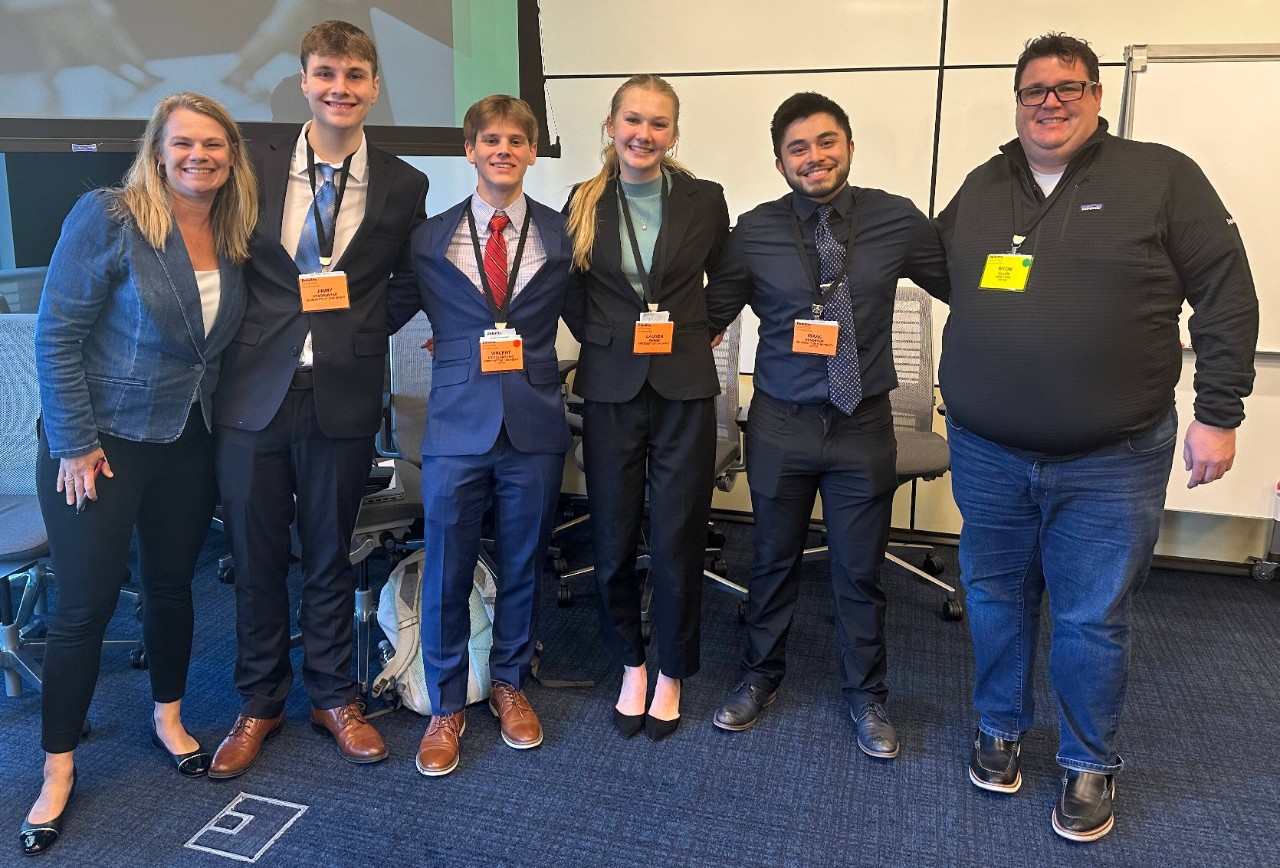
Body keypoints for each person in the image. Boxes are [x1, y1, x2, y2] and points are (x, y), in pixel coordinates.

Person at [935, 33, 1258, 842]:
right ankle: (1000, 727)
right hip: (987, 449)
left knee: (1089, 616)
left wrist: (1219, 411)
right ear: (1016, 99)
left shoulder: (1161, 176)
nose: (1050, 101)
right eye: (1035, 88)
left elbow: (1225, 293)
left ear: (1097, 96)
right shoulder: (981, 185)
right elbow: (932, 267)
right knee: (994, 597)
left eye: (1068, 87)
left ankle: (1087, 762)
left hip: (1112, 457)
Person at [25, 92, 257, 856]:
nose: (200, 157)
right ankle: (58, 768)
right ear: (158, 149)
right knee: (84, 608)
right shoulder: (111, 216)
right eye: (184, 144)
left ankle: (167, 715)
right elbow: (56, 335)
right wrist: (73, 444)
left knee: (170, 586)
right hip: (100, 446)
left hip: (185, 440)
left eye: (214, 145)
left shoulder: (231, 229)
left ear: (231, 155)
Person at [210, 19, 428, 778]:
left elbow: (411, 279)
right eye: (326, 74)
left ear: (373, 87)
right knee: (256, 557)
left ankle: (335, 696)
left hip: (341, 392)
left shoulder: (405, 183)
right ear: (305, 81)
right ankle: (258, 703)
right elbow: (224, 261)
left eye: (356, 76)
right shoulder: (254, 162)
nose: (341, 89)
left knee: (332, 555)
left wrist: (363, 331)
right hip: (252, 394)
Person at [705, 92, 949, 758]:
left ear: (848, 143)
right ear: (781, 159)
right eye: (798, 147)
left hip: (862, 426)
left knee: (859, 571)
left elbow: (967, 282)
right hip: (781, 425)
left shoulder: (897, 220)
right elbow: (709, 317)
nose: (814, 157)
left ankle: (866, 696)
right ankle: (759, 677)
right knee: (771, 562)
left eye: (826, 141)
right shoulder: (754, 230)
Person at [386, 95, 572, 777]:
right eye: (489, 139)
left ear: (530, 152)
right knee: (447, 566)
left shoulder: (559, 233)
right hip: (456, 422)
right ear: (470, 150)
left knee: (524, 562)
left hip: (534, 419)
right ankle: (444, 703)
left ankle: (510, 683)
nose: (503, 149)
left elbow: (592, 308)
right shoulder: (429, 238)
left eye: (516, 140)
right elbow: (392, 307)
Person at [562, 74, 729, 741]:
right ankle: (630, 659)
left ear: (674, 134)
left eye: (659, 123)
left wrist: (704, 325)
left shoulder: (702, 199)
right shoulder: (583, 201)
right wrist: (600, 337)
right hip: (609, 388)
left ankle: (673, 670)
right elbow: (570, 289)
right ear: (611, 126)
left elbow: (733, 272)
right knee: (610, 536)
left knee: (677, 537)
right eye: (633, 120)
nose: (644, 134)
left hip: (684, 384)